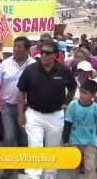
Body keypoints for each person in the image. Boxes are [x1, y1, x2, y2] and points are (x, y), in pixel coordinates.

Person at [17, 41, 77, 179]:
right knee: (35, 147)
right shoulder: (30, 69)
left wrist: (66, 103)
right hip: (34, 115)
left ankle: (50, 176)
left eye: (47, 53)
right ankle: (33, 176)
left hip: (55, 116)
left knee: (53, 148)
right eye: (42, 51)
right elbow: (21, 92)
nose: (43, 55)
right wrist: (20, 114)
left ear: (55, 55)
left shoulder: (63, 70)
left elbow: (72, 87)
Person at [0, 36, 35, 179]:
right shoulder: (5, 64)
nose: (16, 49)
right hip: (8, 107)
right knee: (9, 137)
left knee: (23, 138)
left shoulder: (34, 65)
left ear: (27, 49)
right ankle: (9, 168)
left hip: (27, 108)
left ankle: (22, 165)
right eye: (15, 46)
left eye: (19, 47)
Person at [62, 79, 97, 179]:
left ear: (93, 95)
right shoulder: (73, 105)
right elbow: (67, 123)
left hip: (90, 142)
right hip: (74, 140)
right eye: (81, 92)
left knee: (90, 167)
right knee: (74, 166)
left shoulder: (96, 108)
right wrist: (65, 140)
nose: (82, 95)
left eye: (85, 93)